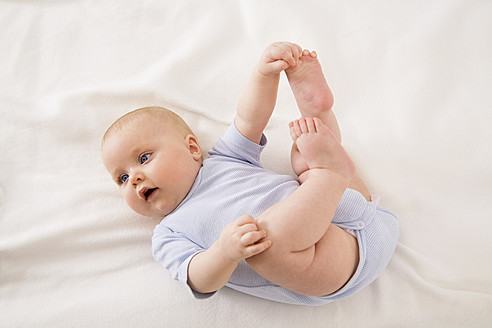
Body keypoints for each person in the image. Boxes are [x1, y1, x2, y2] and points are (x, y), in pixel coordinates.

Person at [101, 42, 399, 306]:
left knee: (302, 154)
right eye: (122, 178)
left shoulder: (225, 158)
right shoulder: (168, 234)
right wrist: (224, 252)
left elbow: (248, 118)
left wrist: (264, 74)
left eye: (143, 158)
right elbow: (198, 279)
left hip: (344, 206)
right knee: (264, 243)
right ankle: (327, 171)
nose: (134, 178)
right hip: (332, 262)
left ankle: (315, 112)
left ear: (192, 147)